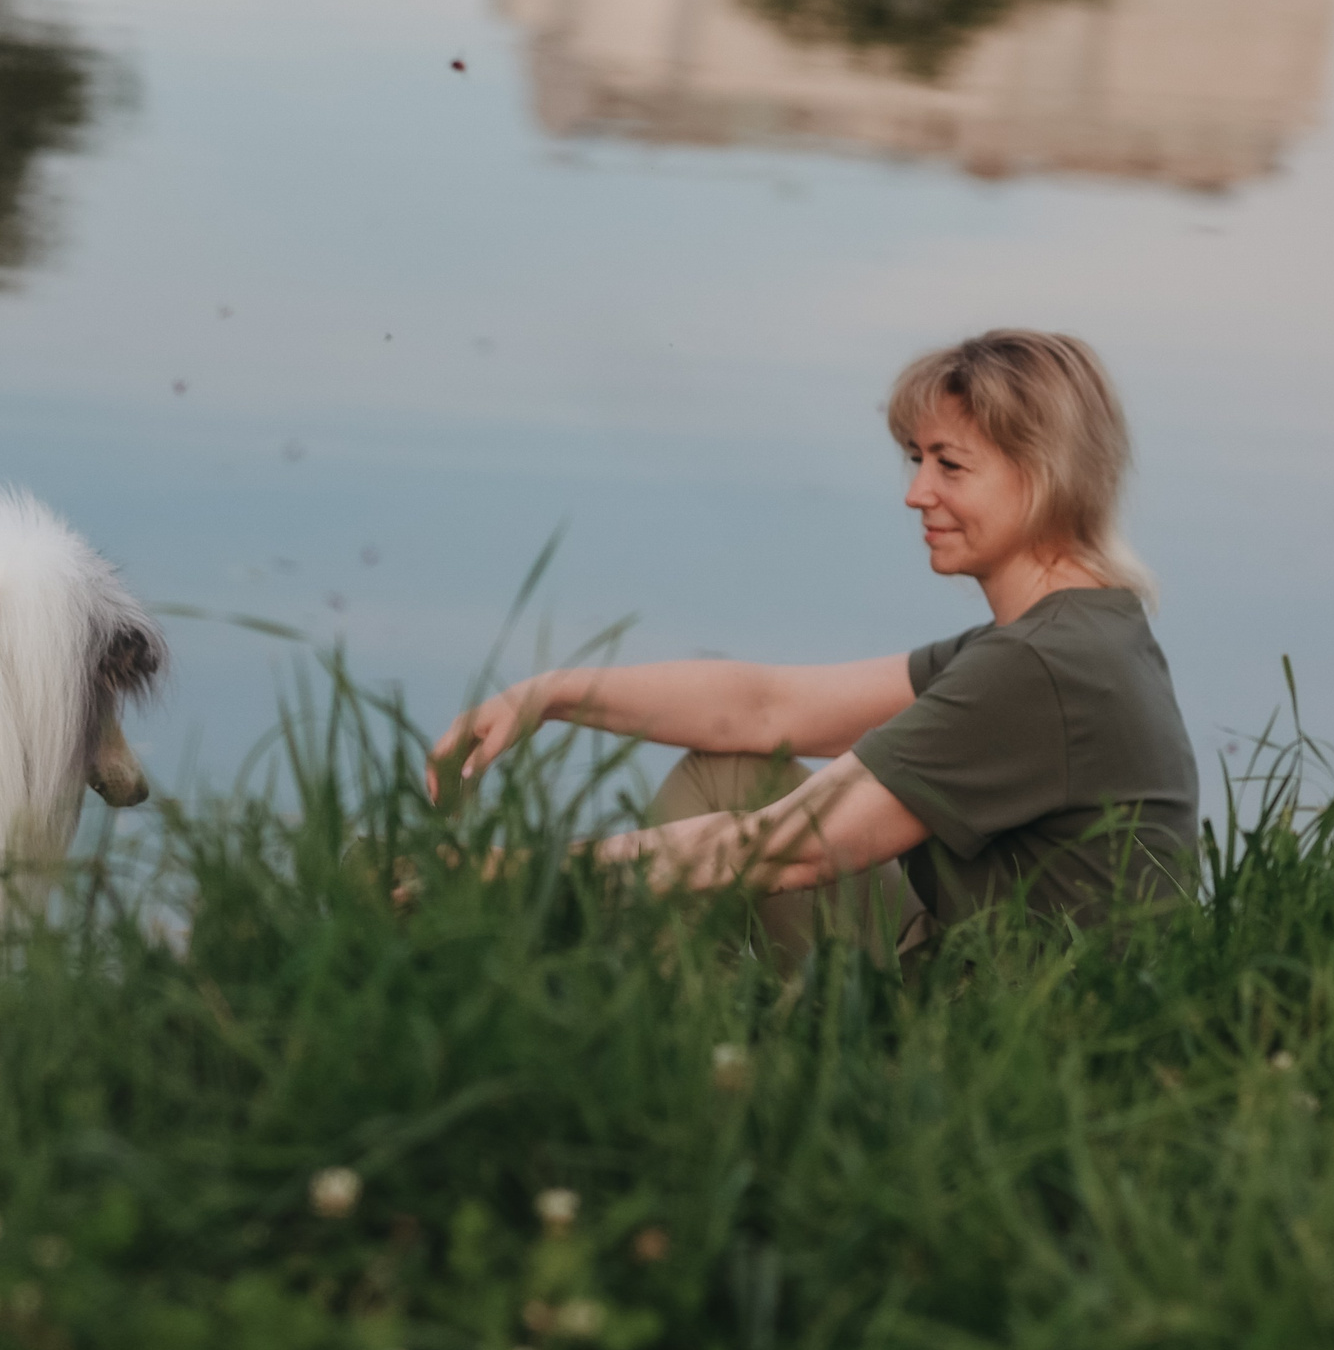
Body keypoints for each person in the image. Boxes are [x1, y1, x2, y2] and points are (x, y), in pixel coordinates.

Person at [429, 330, 1199, 966]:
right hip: (1004, 976)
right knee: (730, 771)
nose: (916, 493)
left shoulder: (1037, 667)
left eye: (950, 465)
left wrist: (500, 876)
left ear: (1044, 477)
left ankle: (659, 1053)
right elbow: (769, 710)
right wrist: (551, 695)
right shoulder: (1075, 634)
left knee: (737, 847)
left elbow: (787, 850)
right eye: (915, 458)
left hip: (1008, 1032)